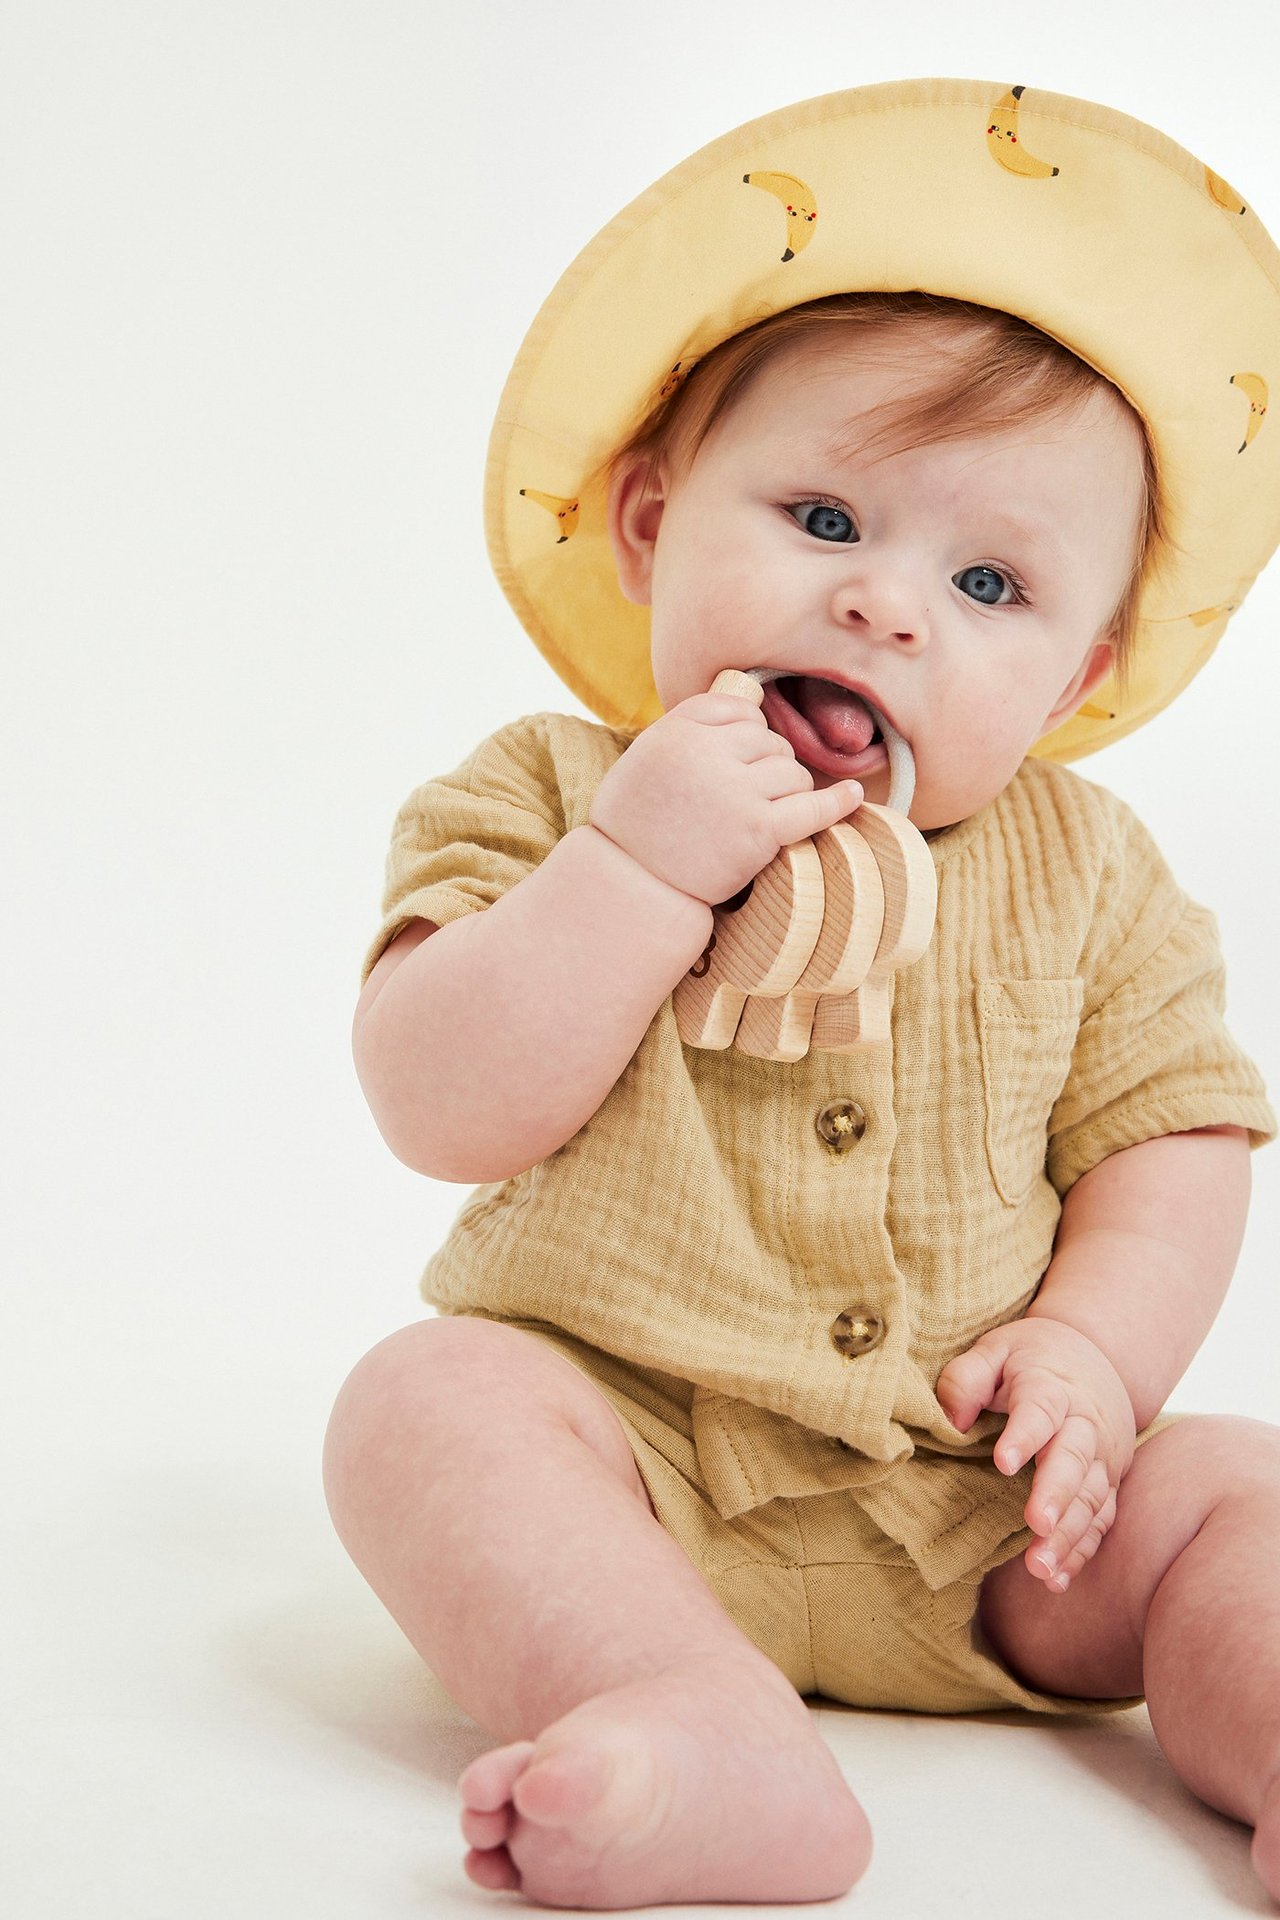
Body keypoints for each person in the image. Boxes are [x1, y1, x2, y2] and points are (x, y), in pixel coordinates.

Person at [322, 79, 1280, 1909]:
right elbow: (438, 1103)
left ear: (1076, 675)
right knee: (422, 1406)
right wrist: (634, 870)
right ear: (652, 526)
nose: (888, 610)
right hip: (636, 1474)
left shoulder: (1093, 871)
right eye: (825, 517)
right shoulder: (537, 795)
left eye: (987, 580)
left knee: (1240, 1488)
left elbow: (1180, 1136)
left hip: (991, 1510)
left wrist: (1092, 1358)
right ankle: (688, 1713)